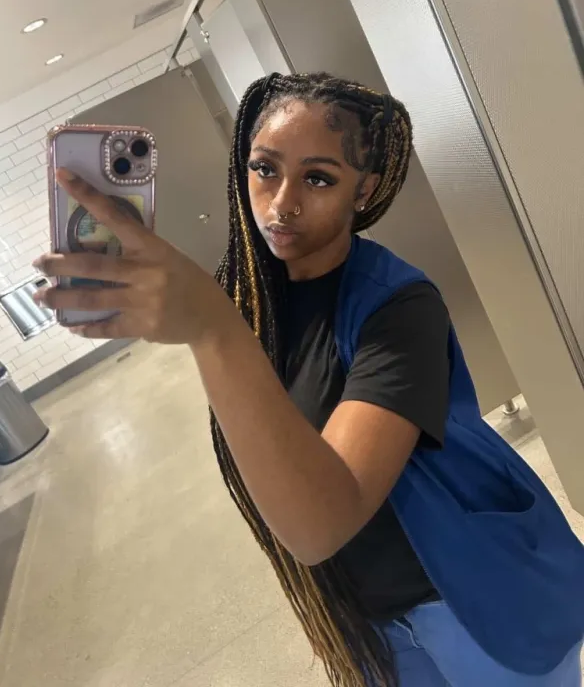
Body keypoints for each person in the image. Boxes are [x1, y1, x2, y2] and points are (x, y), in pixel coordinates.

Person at [34, 72, 584, 687]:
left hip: (473, 602)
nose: (281, 203)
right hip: (369, 621)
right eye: (264, 169)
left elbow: (320, 523)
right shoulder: (255, 303)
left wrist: (213, 331)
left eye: (318, 178)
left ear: (364, 190)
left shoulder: (398, 307)